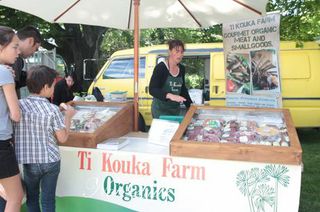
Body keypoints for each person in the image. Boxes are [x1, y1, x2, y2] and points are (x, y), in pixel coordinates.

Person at [14, 65, 75, 212]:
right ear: (46, 87)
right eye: (53, 85)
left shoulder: (18, 106)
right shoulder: (52, 109)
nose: (54, 88)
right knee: (48, 201)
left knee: (32, 199)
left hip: (29, 162)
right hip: (51, 161)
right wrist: (68, 117)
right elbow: (63, 138)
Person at [0, 26, 24, 212]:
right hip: (1, 144)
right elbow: (16, 115)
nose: (19, 51)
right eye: (14, 47)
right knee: (16, 197)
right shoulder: (4, 72)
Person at [149, 39, 192, 118]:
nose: (180, 54)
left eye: (182, 52)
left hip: (175, 110)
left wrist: (190, 106)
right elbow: (152, 89)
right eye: (177, 51)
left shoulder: (181, 69)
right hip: (160, 110)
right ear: (169, 52)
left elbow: (182, 89)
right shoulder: (161, 67)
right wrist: (170, 96)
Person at [12, 25, 41, 98]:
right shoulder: (15, 58)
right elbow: (13, 88)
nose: (34, 53)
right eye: (36, 48)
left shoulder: (17, 60)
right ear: (30, 41)